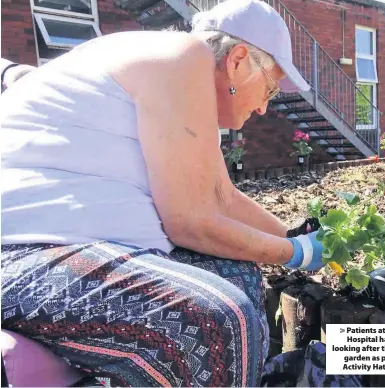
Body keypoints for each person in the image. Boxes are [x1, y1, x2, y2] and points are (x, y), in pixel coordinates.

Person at [1, 0, 326, 386]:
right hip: (23, 255)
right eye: (270, 89)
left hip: (62, 246)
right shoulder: (183, 58)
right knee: (218, 319)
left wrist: (294, 235)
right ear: (238, 60)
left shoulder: (176, 73)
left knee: (238, 273)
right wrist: (298, 253)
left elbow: (222, 197)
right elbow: (190, 224)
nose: (262, 108)